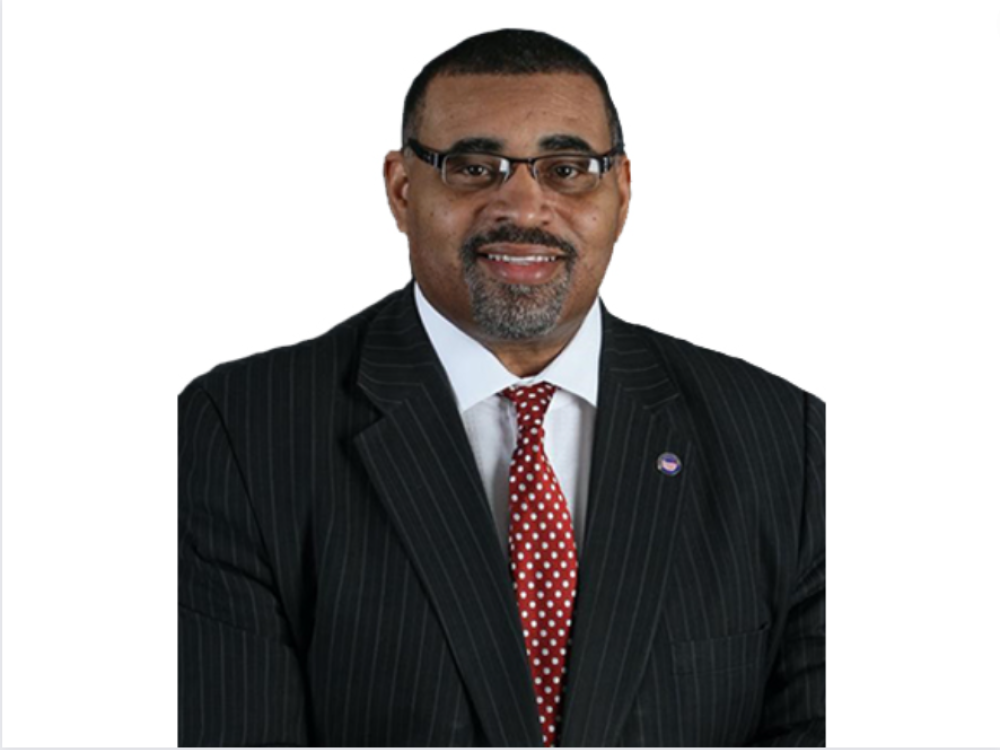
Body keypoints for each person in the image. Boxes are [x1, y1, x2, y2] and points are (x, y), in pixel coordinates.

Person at [178, 28, 825, 747]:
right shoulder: (240, 431)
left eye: (568, 167)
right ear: (401, 189)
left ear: (622, 190)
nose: (522, 206)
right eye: (474, 167)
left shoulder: (783, 440)